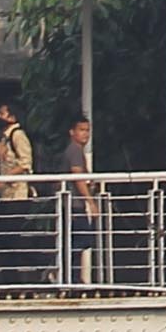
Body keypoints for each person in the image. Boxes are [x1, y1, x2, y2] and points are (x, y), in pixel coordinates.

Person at [61, 119, 104, 285]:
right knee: (81, 240)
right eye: (81, 130)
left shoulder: (76, 150)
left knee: (77, 241)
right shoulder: (75, 151)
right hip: (73, 204)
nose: (85, 133)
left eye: (87, 130)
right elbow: (78, 178)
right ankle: (66, 275)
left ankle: (71, 276)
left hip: (73, 204)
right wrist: (91, 202)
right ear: (72, 132)